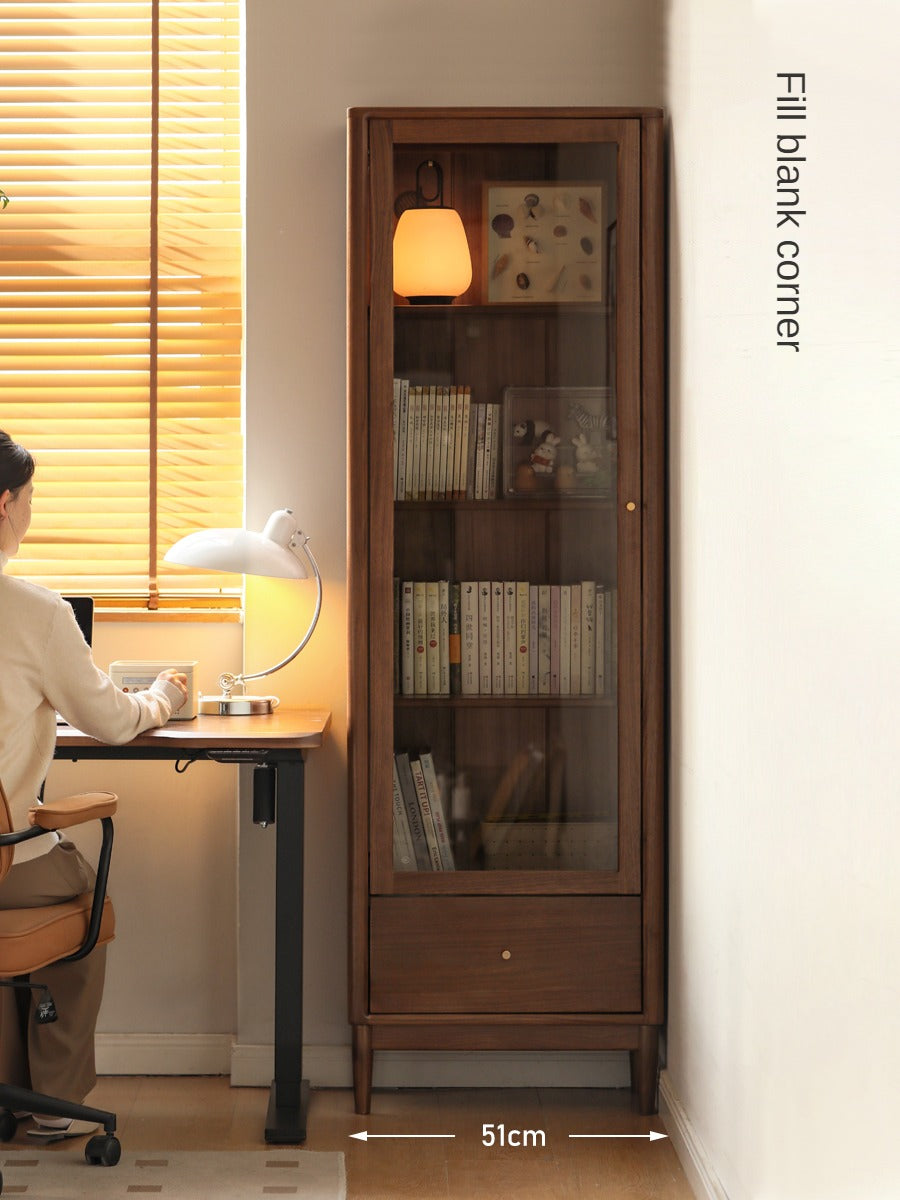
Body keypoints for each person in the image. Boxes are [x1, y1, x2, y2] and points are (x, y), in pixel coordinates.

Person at [0, 430, 188, 1138]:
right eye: (31, 496)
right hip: (5, 857)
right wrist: (165, 696)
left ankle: (14, 1087)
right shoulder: (37, 614)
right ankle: (49, 1097)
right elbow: (112, 721)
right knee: (79, 888)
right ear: (5, 505)